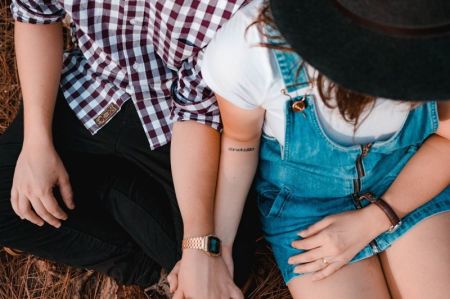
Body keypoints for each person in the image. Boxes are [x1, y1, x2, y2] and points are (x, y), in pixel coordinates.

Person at [0, 1, 256, 297]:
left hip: (179, 123)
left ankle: (162, 259)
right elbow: (36, 16)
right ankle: (155, 269)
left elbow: (196, 111)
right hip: (92, 89)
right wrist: (36, 143)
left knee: (226, 268)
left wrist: (197, 245)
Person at [197, 0, 450, 298]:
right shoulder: (250, 50)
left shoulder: (437, 34)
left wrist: (377, 217)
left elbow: (447, 140)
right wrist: (217, 249)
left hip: (410, 177)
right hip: (307, 210)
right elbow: (240, 144)